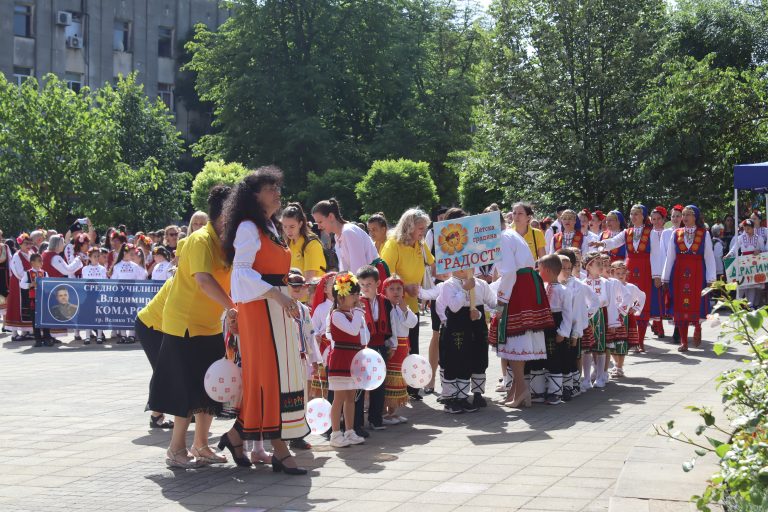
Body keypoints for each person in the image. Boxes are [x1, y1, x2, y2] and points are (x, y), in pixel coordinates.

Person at [218, 168, 309, 474]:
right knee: (269, 375)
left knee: (277, 374)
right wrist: (276, 295)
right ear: (254, 195)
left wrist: (284, 294)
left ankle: (236, 435)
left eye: (277, 187)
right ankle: (280, 450)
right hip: (259, 308)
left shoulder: (270, 226)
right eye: (271, 188)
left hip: (274, 305)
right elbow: (241, 272)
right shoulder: (248, 227)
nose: (277, 193)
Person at [148, 185, 234, 469]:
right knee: (185, 388)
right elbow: (204, 280)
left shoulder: (226, 242)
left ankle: (201, 445)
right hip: (184, 324)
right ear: (224, 213)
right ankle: (175, 449)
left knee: (208, 387)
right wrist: (232, 308)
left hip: (209, 324)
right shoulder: (200, 240)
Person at [488, 226, 553, 408]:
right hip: (525, 285)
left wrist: (501, 301)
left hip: (518, 288)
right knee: (519, 340)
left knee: (515, 339)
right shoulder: (511, 234)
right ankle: (516, 389)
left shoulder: (502, 237)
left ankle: (522, 390)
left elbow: (509, 272)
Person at [380, 208, 434, 400]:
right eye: (420, 228)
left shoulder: (420, 244)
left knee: (413, 346)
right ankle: (395, 389)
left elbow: (433, 265)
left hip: (412, 305)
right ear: (409, 227)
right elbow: (385, 275)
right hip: (394, 306)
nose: (423, 232)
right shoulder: (393, 244)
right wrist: (404, 287)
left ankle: (412, 387)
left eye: (425, 228)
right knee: (397, 347)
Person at [438, 265, 496, 413]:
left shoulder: (481, 284)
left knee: (473, 360)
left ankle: (464, 397)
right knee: (454, 361)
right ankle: (450, 399)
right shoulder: (448, 285)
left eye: (469, 264)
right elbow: (454, 307)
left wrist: (482, 314)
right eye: (461, 265)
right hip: (456, 328)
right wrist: (465, 289)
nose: (465, 268)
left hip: (475, 328)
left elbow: (493, 303)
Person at [662, 205, 716, 352]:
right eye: (684, 215)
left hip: (698, 272)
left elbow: (709, 257)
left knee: (697, 302)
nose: (685, 217)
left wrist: (711, 279)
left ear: (695, 217)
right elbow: (670, 256)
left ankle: (698, 327)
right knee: (680, 306)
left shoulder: (704, 233)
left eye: (688, 215)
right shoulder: (676, 233)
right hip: (679, 273)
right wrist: (665, 278)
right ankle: (684, 341)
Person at [326, 272, 367, 448]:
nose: (357, 298)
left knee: (351, 397)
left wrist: (359, 315)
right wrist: (358, 312)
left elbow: (362, 335)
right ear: (341, 296)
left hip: (353, 358)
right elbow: (352, 330)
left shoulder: (353, 314)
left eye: (357, 294)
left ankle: (350, 431)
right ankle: (335, 433)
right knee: (339, 397)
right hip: (341, 359)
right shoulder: (336, 315)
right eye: (353, 294)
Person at [136, 278, 175, 429]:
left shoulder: (187, 278)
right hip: (150, 326)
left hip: (162, 327)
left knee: (171, 369)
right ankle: (156, 415)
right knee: (163, 370)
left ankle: (186, 412)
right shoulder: (178, 281)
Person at [356, 265, 391, 431]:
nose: (365, 288)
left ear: (377, 284)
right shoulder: (356, 303)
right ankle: (357, 422)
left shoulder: (385, 301)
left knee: (379, 382)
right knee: (361, 384)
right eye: (362, 285)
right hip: (362, 348)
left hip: (380, 345)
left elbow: (392, 323)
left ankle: (376, 419)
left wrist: (392, 344)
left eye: (368, 284)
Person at [381, 275, 417, 424]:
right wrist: (391, 345)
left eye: (399, 289)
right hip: (392, 348)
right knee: (389, 381)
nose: (396, 292)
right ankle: (383, 413)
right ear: (385, 291)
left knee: (399, 381)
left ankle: (393, 412)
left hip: (403, 348)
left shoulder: (403, 307)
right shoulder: (384, 307)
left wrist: (404, 309)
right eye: (392, 289)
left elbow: (412, 323)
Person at [312, 199, 378, 274]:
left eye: (320, 222)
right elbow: (345, 268)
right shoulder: (337, 236)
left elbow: (359, 268)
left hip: (373, 276)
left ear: (331, 216)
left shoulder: (348, 232)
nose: (319, 227)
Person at [281, 202, 327, 282]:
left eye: (292, 226)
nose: (288, 231)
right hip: (293, 289)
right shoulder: (288, 243)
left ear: (300, 224)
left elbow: (309, 280)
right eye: (285, 226)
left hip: (311, 289)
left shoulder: (312, 244)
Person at [725, 219, 764, 307]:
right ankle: (737, 306)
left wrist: (759, 251)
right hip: (743, 264)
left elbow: (764, 251)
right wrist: (728, 255)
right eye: (745, 228)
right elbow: (734, 248)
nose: (746, 230)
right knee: (741, 284)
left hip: (754, 264)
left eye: (748, 228)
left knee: (752, 285)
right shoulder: (741, 238)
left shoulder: (759, 238)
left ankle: (751, 306)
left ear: (753, 228)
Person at [5, 233, 35, 339]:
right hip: (17, 284)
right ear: (20, 244)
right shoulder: (17, 256)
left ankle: (25, 332)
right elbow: (19, 273)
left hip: (27, 284)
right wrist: (30, 278)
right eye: (26, 243)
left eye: (30, 243)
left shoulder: (31, 253)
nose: (29, 246)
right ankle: (14, 334)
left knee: (26, 307)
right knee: (16, 306)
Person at [19, 253, 52, 347]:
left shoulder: (45, 273)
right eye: (39, 261)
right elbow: (21, 284)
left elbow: (49, 284)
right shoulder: (27, 273)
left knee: (45, 319)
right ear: (32, 263)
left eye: (42, 260)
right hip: (33, 300)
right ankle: (38, 339)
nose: (41, 262)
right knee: (35, 320)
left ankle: (47, 338)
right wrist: (30, 285)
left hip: (43, 300)